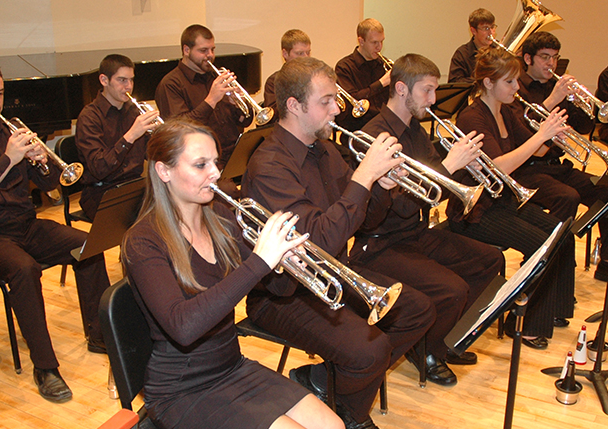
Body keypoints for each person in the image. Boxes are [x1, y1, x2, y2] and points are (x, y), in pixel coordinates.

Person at [242, 56, 435, 429]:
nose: (337, 109)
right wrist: (364, 177)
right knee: (370, 349)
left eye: (336, 99)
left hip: (333, 272)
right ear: (294, 106)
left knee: (417, 309)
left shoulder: (325, 150)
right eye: (326, 101)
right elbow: (321, 239)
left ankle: (325, 385)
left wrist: (381, 186)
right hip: (284, 292)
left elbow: (364, 221)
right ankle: (351, 412)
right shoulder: (269, 166)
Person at [122, 119, 343, 429]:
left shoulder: (221, 218)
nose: (215, 173)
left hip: (231, 367)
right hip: (181, 389)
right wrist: (260, 261)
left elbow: (275, 288)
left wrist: (287, 263)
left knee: (334, 426)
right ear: (164, 171)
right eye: (200, 165)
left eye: (215, 162)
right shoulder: (143, 241)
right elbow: (184, 327)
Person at [0, 61, 112, 403]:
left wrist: (41, 159)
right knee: (24, 269)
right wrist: (9, 159)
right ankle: (45, 367)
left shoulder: (10, 130)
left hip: (25, 226)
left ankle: (100, 334)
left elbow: (47, 184)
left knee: (88, 244)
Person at [354, 53, 505, 385]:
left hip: (416, 232)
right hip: (382, 243)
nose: (434, 100)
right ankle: (425, 349)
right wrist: (449, 167)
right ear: (401, 89)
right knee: (452, 289)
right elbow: (401, 206)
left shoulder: (415, 130)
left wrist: (466, 168)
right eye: (427, 91)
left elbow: (437, 185)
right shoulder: (375, 136)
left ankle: (438, 339)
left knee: (490, 259)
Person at [448, 47, 576, 349]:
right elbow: (498, 166)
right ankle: (524, 321)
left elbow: (537, 151)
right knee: (538, 243)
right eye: (510, 82)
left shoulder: (505, 111)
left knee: (562, 233)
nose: (517, 88)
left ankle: (554, 308)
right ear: (489, 83)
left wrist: (552, 133)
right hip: (475, 210)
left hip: (502, 201)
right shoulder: (471, 117)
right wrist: (540, 136)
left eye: (517, 81)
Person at [511, 32, 608, 291]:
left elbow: (583, 127)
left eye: (555, 58)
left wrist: (580, 104)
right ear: (528, 58)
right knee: (567, 197)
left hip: (556, 166)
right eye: (545, 58)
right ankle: (550, 268)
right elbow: (520, 130)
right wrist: (551, 102)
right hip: (525, 169)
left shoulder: (556, 86)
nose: (551, 64)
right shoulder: (517, 87)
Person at [75, 54, 160, 220]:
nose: (128, 86)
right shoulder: (89, 117)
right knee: (151, 219)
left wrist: (159, 138)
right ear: (104, 80)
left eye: (131, 80)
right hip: (102, 192)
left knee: (178, 204)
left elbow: (151, 154)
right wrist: (131, 136)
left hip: (134, 186)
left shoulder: (134, 112)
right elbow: (99, 169)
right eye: (122, 80)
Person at [155, 24, 252, 169]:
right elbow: (180, 131)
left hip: (234, 156)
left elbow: (246, 121)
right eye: (203, 51)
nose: (210, 55)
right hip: (201, 163)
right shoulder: (171, 84)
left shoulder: (217, 76)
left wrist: (238, 104)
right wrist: (211, 100)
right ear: (186, 50)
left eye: (212, 50)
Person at [334, 18, 391, 145]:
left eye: (382, 42)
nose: (379, 47)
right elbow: (352, 102)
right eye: (374, 42)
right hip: (359, 130)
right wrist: (381, 83)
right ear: (361, 41)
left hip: (385, 128)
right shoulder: (345, 67)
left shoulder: (384, 65)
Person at [263, 29, 312, 119]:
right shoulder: (273, 81)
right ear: (285, 54)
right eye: (299, 53)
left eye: (308, 52)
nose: (306, 58)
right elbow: (273, 118)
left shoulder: (314, 78)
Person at [448, 8, 497, 83]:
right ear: (473, 31)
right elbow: (455, 82)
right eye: (486, 28)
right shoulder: (461, 54)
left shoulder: (499, 50)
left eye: (492, 27)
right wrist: (483, 79)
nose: (491, 32)